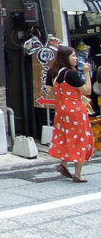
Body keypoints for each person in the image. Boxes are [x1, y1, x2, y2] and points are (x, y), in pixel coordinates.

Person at [46, 45, 94, 182]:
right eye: (73, 56)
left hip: (61, 109)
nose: (76, 58)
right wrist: (86, 72)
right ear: (65, 58)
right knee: (80, 138)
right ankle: (78, 174)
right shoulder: (71, 74)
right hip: (75, 109)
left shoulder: (53, 71)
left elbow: (49, 91)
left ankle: (64, 163)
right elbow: (87, 91)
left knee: (65, 136)